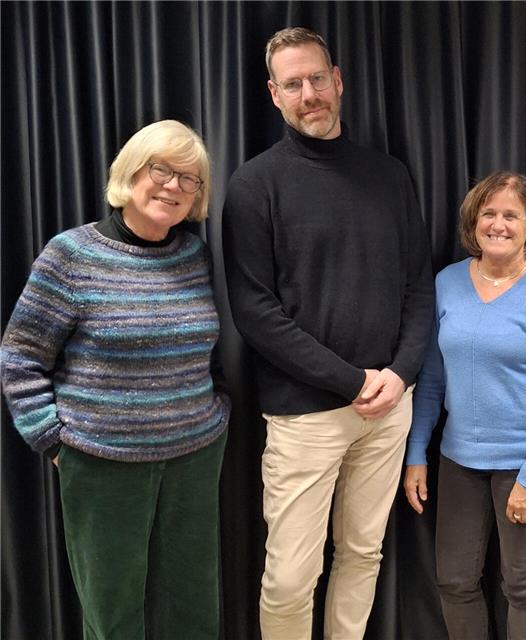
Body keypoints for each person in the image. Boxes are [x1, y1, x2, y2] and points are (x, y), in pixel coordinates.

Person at [220, 27, 434, 640]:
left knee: (363, 556)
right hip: (305, 415)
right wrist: (353, 380)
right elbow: (256, 313)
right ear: (274, 94)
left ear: (338, 80)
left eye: (317, 78)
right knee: (291, 576)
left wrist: (399, 375)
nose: (309, 93)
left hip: (389, 407)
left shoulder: (390, 176)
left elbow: (419, 287)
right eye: (294, 84)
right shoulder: (254, 186)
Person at [0, 119, 230, 639]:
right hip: (102, 465)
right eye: (161, 170)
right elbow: (21, 356)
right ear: (132, 173)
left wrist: (216, 407)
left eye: (188, 179)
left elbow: (210, 347)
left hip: (194, 456)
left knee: (192, 608)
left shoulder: (195, 256)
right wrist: (54, 441)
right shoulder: (72, 256)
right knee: (113, 612)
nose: (173, 186)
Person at [403, 172, 526, 640]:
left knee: (523, 585)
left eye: (511, 215)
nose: (498, 224)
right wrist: (417, 453)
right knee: (455, 581)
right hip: (459, 460)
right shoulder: (446, 283)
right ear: (473, 221)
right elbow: (431, 379)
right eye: (489, 213)